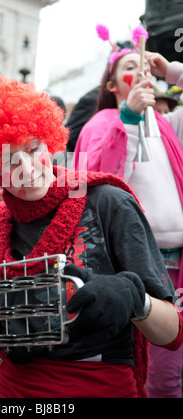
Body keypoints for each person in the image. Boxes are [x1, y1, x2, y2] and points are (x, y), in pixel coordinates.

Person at [0, 75, 183, 398]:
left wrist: (136, 299)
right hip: (13, 392)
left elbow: (172, 333)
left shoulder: (108, 202)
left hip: (100, 385)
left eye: (33, 149)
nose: (27, 169)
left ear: (49, 141)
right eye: (8, 160)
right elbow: (3, 346)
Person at [72, 40, 183, 398]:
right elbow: (92, 184)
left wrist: (172, 70)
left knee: (174, 367)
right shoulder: (99, 124)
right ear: (111, 85)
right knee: (158, 377)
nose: (143, 76)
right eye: (130, 69)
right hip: (139, 270)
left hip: (179, 261)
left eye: (147, 71)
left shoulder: (166, 123)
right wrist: (129, 119)